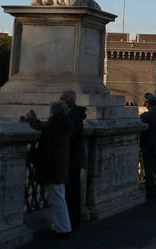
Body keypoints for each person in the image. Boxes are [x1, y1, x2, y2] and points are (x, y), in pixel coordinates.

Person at [25, 101, 72, 238]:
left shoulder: (55, 124)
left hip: (54, 167)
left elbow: (42, 128)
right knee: (59, 197)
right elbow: (45, 127)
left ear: (54, 112)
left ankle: (63, 228)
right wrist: (36, 120)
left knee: (58, 199)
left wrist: (32, 121)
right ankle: (59, 226)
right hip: (60, 166)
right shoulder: (63, 123)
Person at [60, 89, 86, 230]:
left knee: (71, 193)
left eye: (62, 99)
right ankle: (73, 219)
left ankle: (72, 221)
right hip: (74, 159)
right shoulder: (75, 114)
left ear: (69, 101)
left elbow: (70, 137)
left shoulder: (73, 116)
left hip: (71, 160)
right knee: (73, 192)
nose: (60, 102)